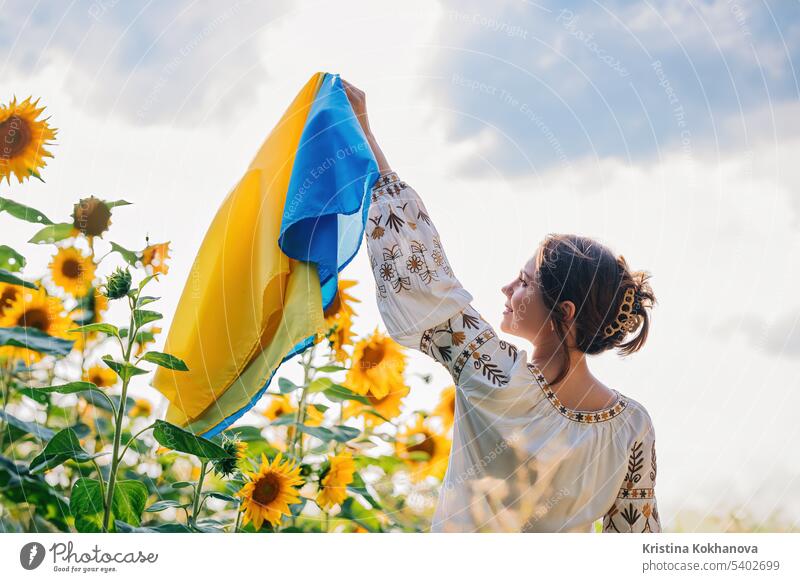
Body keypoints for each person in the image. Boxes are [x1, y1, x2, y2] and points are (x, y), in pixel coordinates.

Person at [343, 79, 661, 533]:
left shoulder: (493, 374)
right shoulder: (632, 428)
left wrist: (365, 136)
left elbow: (423, 279)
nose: (506, 288)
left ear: (564, 312)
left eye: (525, 282)